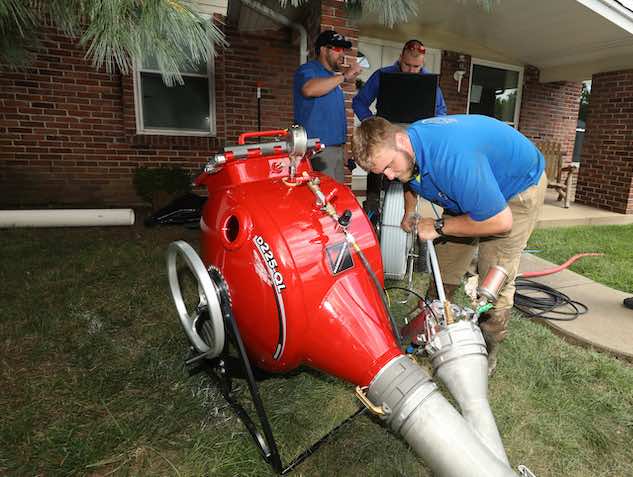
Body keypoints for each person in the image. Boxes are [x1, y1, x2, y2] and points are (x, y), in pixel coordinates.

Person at [351, 115, 547, 376]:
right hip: (466, 188)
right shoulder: (407, 149)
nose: (390, 176)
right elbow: (408, 175)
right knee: (444, 264)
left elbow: (500, 221)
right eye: (382, 173)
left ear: (400, 140)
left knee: (494, 276)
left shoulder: (453, 160)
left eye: (389, 166)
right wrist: (410, 210)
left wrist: (439, 226)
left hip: (515, 190)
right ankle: (430, 324)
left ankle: (486, 350)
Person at [293, 30, 362, 182]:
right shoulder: (309, 69)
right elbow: (309, 89)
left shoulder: (332, 78)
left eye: (343, 49)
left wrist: (344, 149)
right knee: (323, 198)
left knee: (335, 197)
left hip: (335, 149)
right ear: (323, 49)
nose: (342, 53)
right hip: (318, 150)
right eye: (337, 49)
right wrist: (344, 76)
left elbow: (336, 116)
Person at [352, 39, 447, 121]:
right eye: (407, 64)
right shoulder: (381, 75)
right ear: (401, 58)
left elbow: (441, 112)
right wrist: (371, 124)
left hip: (418, 134)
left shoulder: (430, 82)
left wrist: (429, 129)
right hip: (387, 133)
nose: (411, 71)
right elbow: (359, 102)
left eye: (416, 66)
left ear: (422, 63)